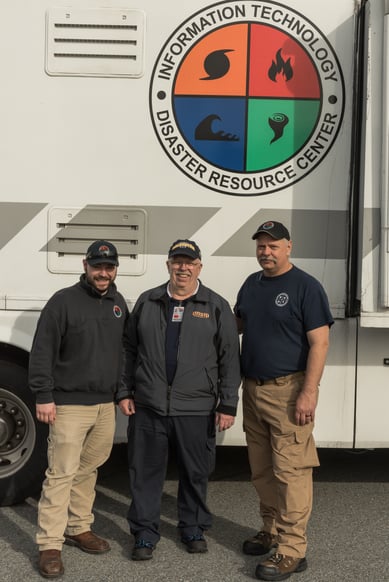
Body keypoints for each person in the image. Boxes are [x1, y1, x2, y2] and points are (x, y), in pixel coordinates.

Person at [117, 238, 241, 561]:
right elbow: (129, 350)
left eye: (189, 262)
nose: (182, 267)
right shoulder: (148, 301)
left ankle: (193, 527)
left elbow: (230, 358)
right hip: (149, 405)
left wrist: (228, 403)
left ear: (199, 266)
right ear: (168, 265)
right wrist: (124, 390)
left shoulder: (215, 306)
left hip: (196, 407)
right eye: (177, 261)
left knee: (195, 471)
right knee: (144, 472)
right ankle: (144, 533)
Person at [234, 221, 333, 581]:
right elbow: (237, 325)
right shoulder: (251, 284)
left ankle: (292, 549)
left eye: (273, 245)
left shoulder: (306, 287)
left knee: (291, 472)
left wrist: (309, 392)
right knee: (262, 468)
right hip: (254, 390)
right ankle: (270, 529)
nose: (266, 252)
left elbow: (320, 343)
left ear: (289, 247)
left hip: (289, 391)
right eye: (261, 245)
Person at [29, 240, 129, 579]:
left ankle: (78, 527)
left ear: (116, 269)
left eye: (110, 267)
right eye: (98, 266)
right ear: (86, 265)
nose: (104, 273)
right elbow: (42, 350)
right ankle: (50, 544)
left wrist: (122, 393)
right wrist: (43, 395)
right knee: (61, 474)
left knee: (88, 470)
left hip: (104, 405)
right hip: (69, 404)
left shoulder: (118, 303)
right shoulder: (63, 302)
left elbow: (125, 353)